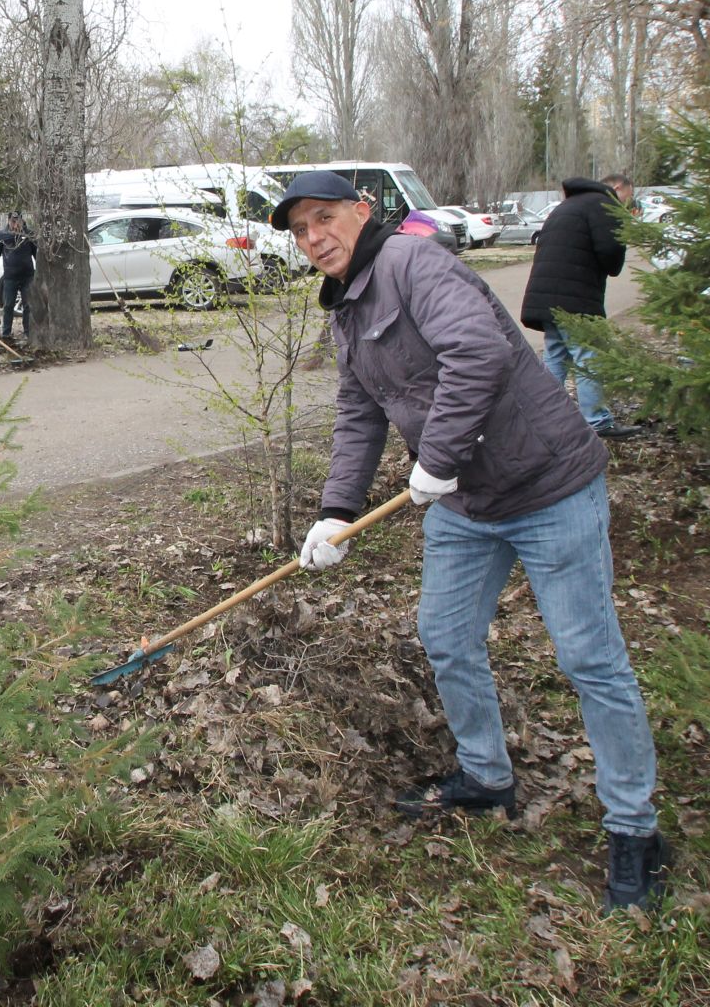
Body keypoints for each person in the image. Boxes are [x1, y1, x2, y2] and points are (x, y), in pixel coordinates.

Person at [272, 170, 669, 912]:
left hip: (549, 483)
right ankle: (486, 777)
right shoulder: (346, 312)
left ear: (363, 211)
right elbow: (360, 414)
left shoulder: (413, 263)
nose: (313, 238)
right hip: (468, 503)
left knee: (590, 658)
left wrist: (439, 458)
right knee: (446, 636)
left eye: (323, 218)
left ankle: (635, 829)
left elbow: (479, 352)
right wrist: (335, 510)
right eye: (299, 230)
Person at [520, 174, 640, 439]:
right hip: (576, 298)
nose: (626, 204)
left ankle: (544, 417)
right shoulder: (602, 204)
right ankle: (597, 421)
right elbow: (610, 254)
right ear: (618, 188)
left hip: (547, 298)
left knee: (556, 357)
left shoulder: (566, 207)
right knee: (590, 358)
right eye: (627, 197)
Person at [0, 211, 38, 341]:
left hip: (28, 276)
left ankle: (28, 331)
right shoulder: (2, 235)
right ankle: (6, 333)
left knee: (28, 305)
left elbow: (36, 253)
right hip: (10, 276)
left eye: (18, 222)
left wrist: (40, 271)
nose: (16, 225)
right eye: (13, 221)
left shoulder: (28, 234)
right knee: (8, 305)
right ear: (9, 221)